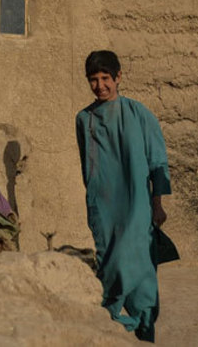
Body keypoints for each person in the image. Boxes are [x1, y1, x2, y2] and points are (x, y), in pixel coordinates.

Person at [74, 50, 171, 342]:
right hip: (103, 204)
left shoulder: (138, 113)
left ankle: (143, 323)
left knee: (138, 262)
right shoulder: (83, 119)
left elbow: (158, 161)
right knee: (110, 259)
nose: (100, 85)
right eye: (94, 79)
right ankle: (111, 318)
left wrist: (157, 204)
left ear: (118, 77)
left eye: (105, 78)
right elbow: (87, 166)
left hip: (138, 203)